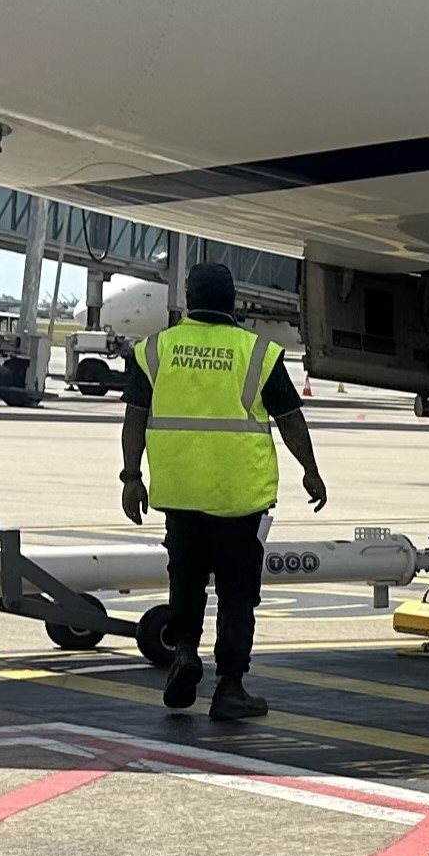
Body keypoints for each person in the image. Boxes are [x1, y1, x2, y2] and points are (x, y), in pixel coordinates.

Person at [119, 261, 329, 722]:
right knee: (237, 597)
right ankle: (230, 688)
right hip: (240, 498)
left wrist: (131, 477)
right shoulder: (256, 352)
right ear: (232, 301)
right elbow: (291, 419)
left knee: (186, 585)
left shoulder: (156, 350)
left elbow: (134, 417)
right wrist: (310, 471)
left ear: (189, 299)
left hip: (180, 494)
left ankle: (186, 653)